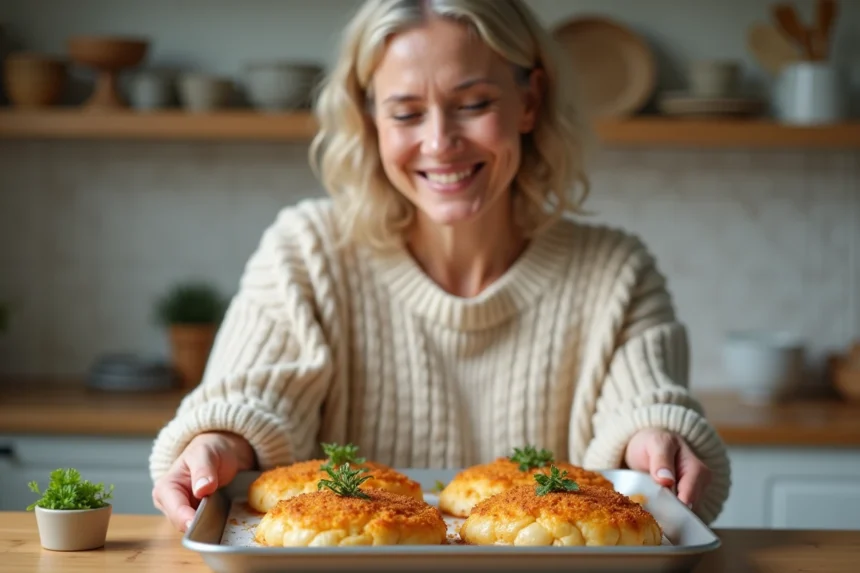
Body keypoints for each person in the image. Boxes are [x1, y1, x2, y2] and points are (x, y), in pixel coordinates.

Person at [150, 0, 731, 533]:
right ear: (369, 119)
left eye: (473, 104)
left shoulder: (616, 272)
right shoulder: (306, 252)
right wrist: (216, 442)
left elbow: (643, 409)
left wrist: (658, 445)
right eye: (405, 114)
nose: (439, 142)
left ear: (529, 101)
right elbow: (252, 398)